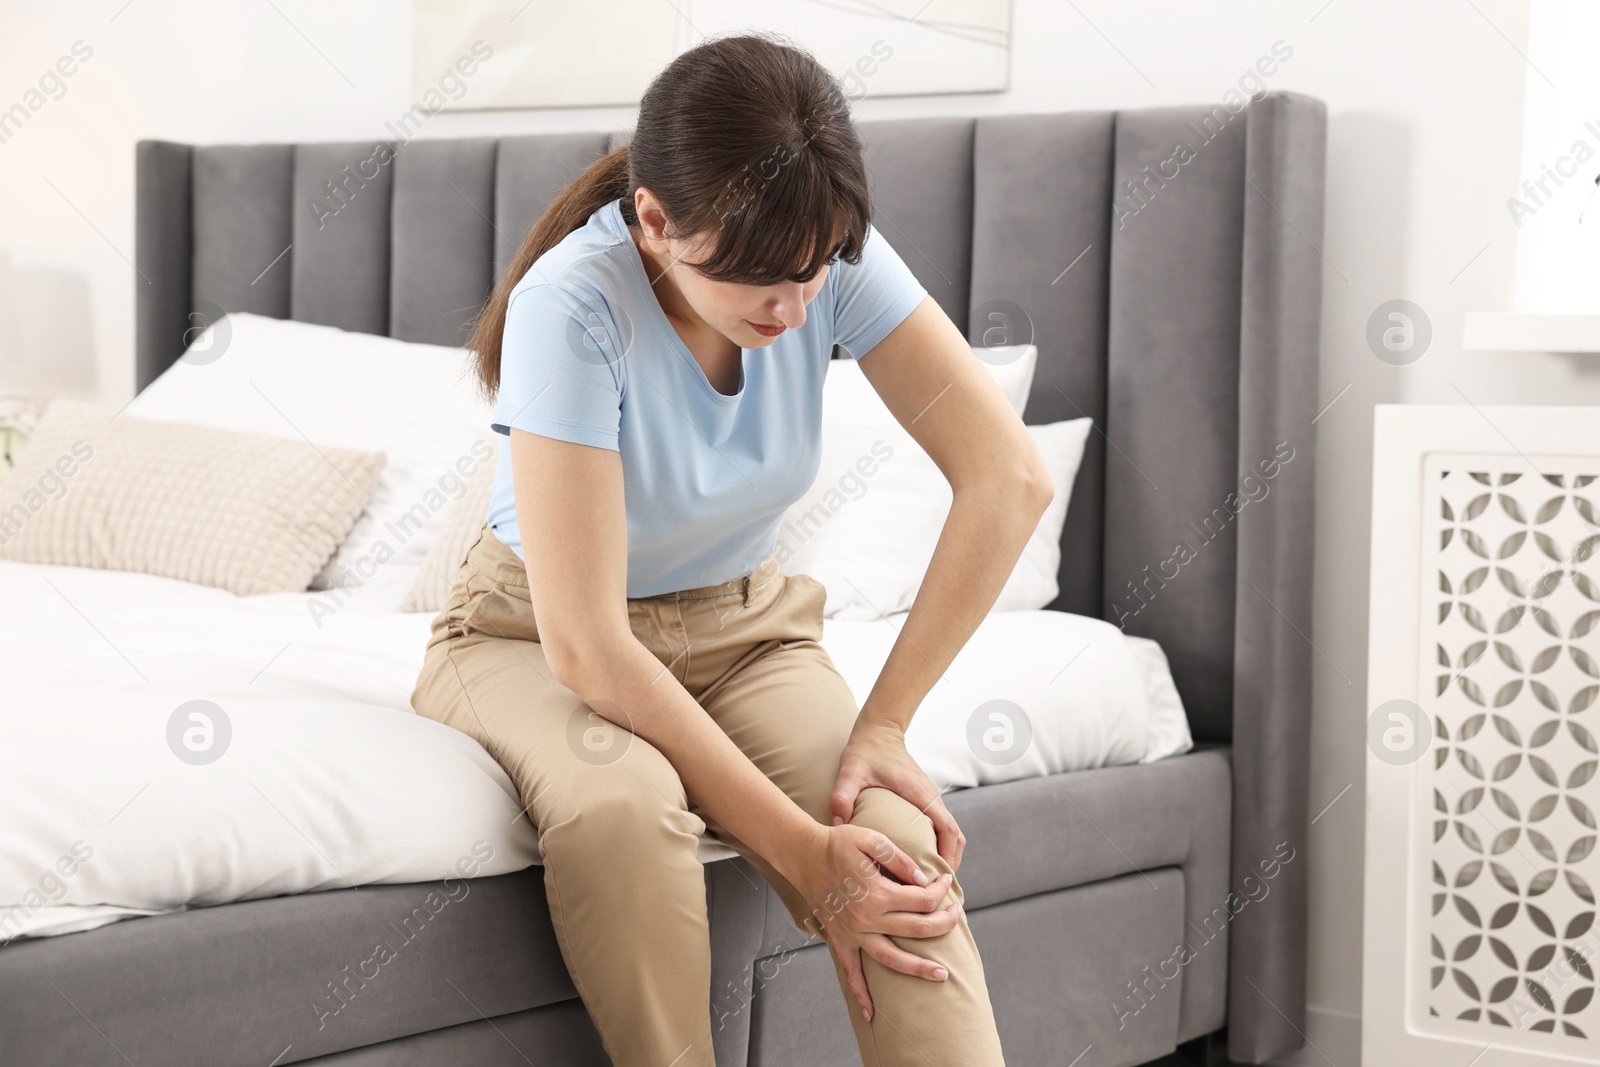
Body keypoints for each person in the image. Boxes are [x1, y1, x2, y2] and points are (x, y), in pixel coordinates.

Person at [411, 32, 1051, 1067]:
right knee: (623, 808)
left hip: (743, 626)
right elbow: (588, 650)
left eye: (815, 274)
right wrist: (807, 860)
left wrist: (883, 724)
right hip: (531, 637)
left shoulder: (819, 249)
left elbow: (1008, 477)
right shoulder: (570, 307)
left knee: (894, 842)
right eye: (760, 282)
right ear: (655, 223)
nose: (797, 311)